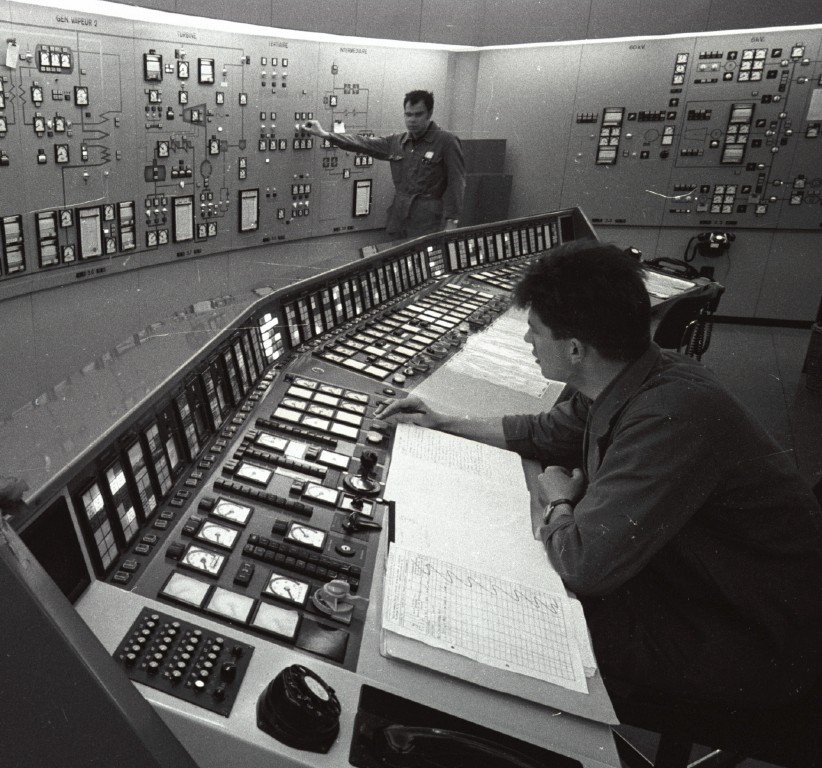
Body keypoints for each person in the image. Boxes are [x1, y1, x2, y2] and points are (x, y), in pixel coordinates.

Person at [380, 240, 822, 728]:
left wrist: (557, 503)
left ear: (574, 349)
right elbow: (546, 432)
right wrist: (443, 422)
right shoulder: (632, 372)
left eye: (534, 330)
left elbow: (582, 564)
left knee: (530, 625)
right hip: (703, 581)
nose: (527, 341)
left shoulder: (671, 414)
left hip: (757, 637)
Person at [300, 90, 465, 239]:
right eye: (408, 115)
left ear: (429, 114)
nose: (412, 120)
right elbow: (363, 143)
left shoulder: (446, 141)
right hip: (400, 217)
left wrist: (452, 221)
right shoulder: (398, 142)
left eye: (418, 114)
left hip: (429, 220)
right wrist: (325, 135)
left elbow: (456, 183)